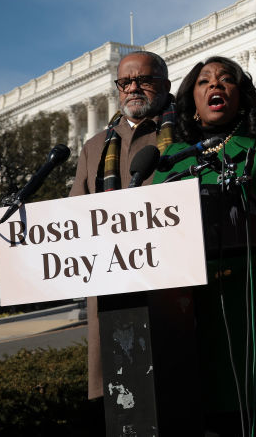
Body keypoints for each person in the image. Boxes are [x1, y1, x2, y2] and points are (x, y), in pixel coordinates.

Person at [155, 56, 256, 436]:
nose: (214, 86)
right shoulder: (169, 162)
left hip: (243, 313)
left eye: (225, 80)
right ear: (191, 99)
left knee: (246, 422)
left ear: (241, 93)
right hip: (183, 316)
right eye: (203, 82)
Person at [70, 50, 173, 403]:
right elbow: (75, 218)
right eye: (125, 82)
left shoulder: (185, 132)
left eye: (144, 80)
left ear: (164, 85)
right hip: (113, 295)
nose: (134, 88)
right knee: (124, 403)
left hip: (172, 289)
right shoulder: (94, 147)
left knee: (175, 393)